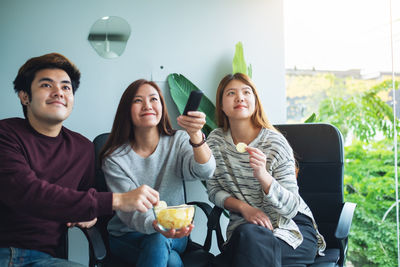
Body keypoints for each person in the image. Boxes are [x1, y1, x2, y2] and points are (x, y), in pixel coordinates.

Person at [0, 53, 159, 267]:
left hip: (47, 259)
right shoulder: (6, 133)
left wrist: (88, 215)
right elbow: (26, 192)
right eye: (47, 85)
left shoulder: (82, 147)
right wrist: (118, 199)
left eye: (66, 87)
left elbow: (86, 199)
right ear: (24, 96)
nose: (59, 92)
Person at [206, 73, 326, 267]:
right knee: (248, 238)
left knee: (248, 245)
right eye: (231, 93)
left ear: (255, 101)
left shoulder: (275, 144)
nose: (240, 97)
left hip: (291, 231)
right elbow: (213, 190)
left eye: (246, 92)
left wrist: (264, 177)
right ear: (221, 105)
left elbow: (291, 207)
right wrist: (245, 209)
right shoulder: (215, 142)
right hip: (244, 233)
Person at [100, 79, 216, 267]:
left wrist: (195, 135)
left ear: (162, 106)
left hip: (176, 234)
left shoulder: (178, 140)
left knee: (159, 242)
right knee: (171, 260)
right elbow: (130, 212)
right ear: (126, 110)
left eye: (154, 99)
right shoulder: (115, 158)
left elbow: (205, 170)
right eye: (138, 101)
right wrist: (158, 225)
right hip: (127, 234)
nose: (147, 105)